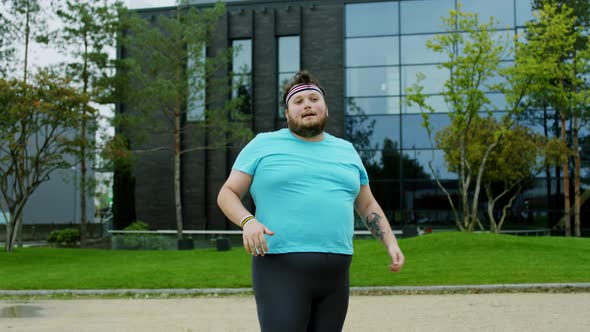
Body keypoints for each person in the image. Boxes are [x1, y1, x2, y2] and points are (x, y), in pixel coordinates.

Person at [217, 70, 405, 332]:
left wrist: (390, 242)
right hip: (280, 269)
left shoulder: (346, 150)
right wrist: (248, 221)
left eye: (314, 99)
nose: (307, 104)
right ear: (287, 113)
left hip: (336, 272)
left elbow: (367, 204)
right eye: (298, 101)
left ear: (325, 108)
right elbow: (227, 193)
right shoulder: (263, 145)